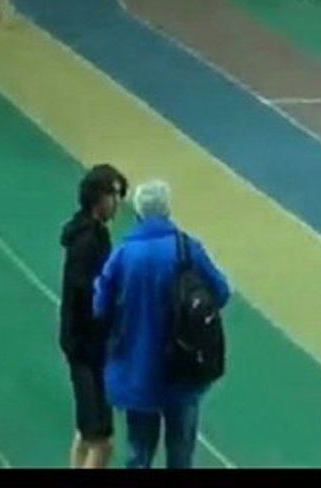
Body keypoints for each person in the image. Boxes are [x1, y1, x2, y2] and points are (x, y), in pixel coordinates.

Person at [93, 180, 231, 469]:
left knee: (138, 451)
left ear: (139, 212)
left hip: (137, 367)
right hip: (184, 367)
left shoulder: (123, 254)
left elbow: (100, 306)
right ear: (167, 210)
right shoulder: (187, 248)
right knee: (181, 452)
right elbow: (220, 291)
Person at [59, 164, 129, 469]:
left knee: (87, 433)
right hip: (87, 347)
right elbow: (87, 294)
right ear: (97, 197)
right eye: (114, 194)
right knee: (102, 441)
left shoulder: (88, 233)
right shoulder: (91, 241)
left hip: (85, 344)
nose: (118, 202)